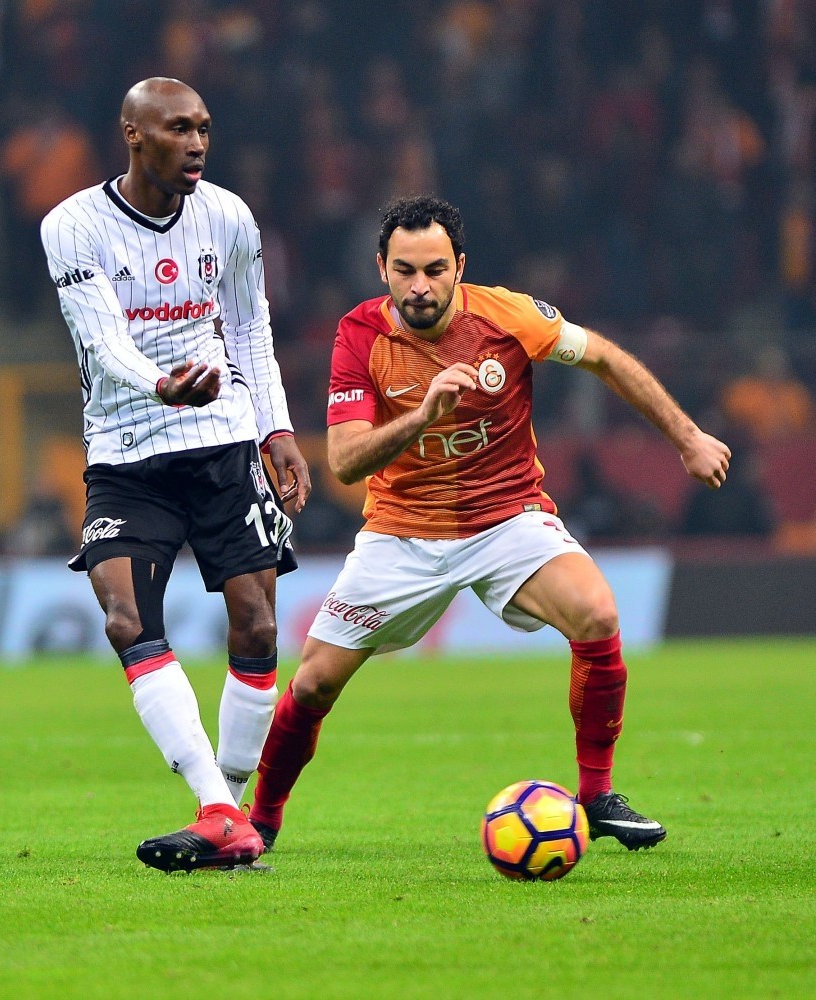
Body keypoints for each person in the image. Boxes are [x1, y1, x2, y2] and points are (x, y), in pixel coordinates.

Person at [248, 195, 731, 854]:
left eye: (435, 270)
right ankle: (259, 825)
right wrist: (422, 416)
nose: (420, 286)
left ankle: (597, 796)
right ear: (382, 268)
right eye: (404, 271)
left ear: (459, 267)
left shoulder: (508, 317)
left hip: (506, 520)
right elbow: (345, 460)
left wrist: (687, 437)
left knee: (595, 615)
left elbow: (605, 359)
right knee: (312, 683)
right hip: (402, 532)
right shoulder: (360, 334)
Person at [40, 77, 311, 873]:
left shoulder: (228, 216)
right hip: (125, 451)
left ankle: (228, 812)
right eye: (178, 129)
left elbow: (250, 327)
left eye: (203, 129)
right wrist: (159, 385)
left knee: (257, 627)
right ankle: (218, 807)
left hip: (221, 443)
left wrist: (275, 427)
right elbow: (101, 341)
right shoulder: (72, 225)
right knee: (125, 619)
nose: (196, 144)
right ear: (133, 134)